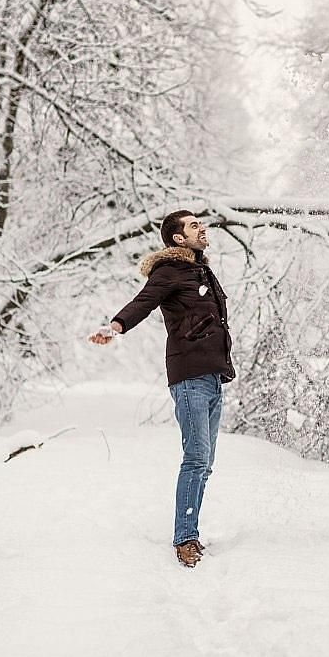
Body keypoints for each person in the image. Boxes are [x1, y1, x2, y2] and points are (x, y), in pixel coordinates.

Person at [89, 210, 235, 568]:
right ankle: (185, 538)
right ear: (178, 239)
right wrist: (116, 326)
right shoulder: (169, 270)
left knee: (205, 464)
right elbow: (144, 300)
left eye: (200, 222)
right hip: (189, 376)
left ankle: (190, 531)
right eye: (193, 225)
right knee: (196, 459)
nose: (202, 227)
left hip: (213, 377)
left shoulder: (201, 271)